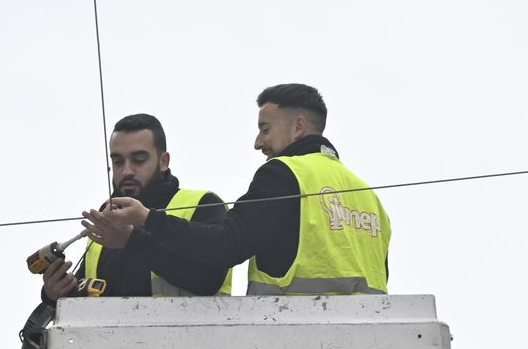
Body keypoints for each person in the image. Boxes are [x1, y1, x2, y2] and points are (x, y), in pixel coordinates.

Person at [81, 84, 390, 295]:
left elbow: (227, 245)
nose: (258, 143)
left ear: (298, 127)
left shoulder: (285, 173)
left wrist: (149, 220)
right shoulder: (368, 197)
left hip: (295, 347)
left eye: (265, 129)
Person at [40, 113, 232, 300]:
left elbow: (208, 279)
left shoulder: (203, 205)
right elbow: (93, 300)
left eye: (138, 160)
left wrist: (132, 241)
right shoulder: (106, 220)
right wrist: (58, 294)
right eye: (117, 161)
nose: (126, 171)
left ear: (163, 161)